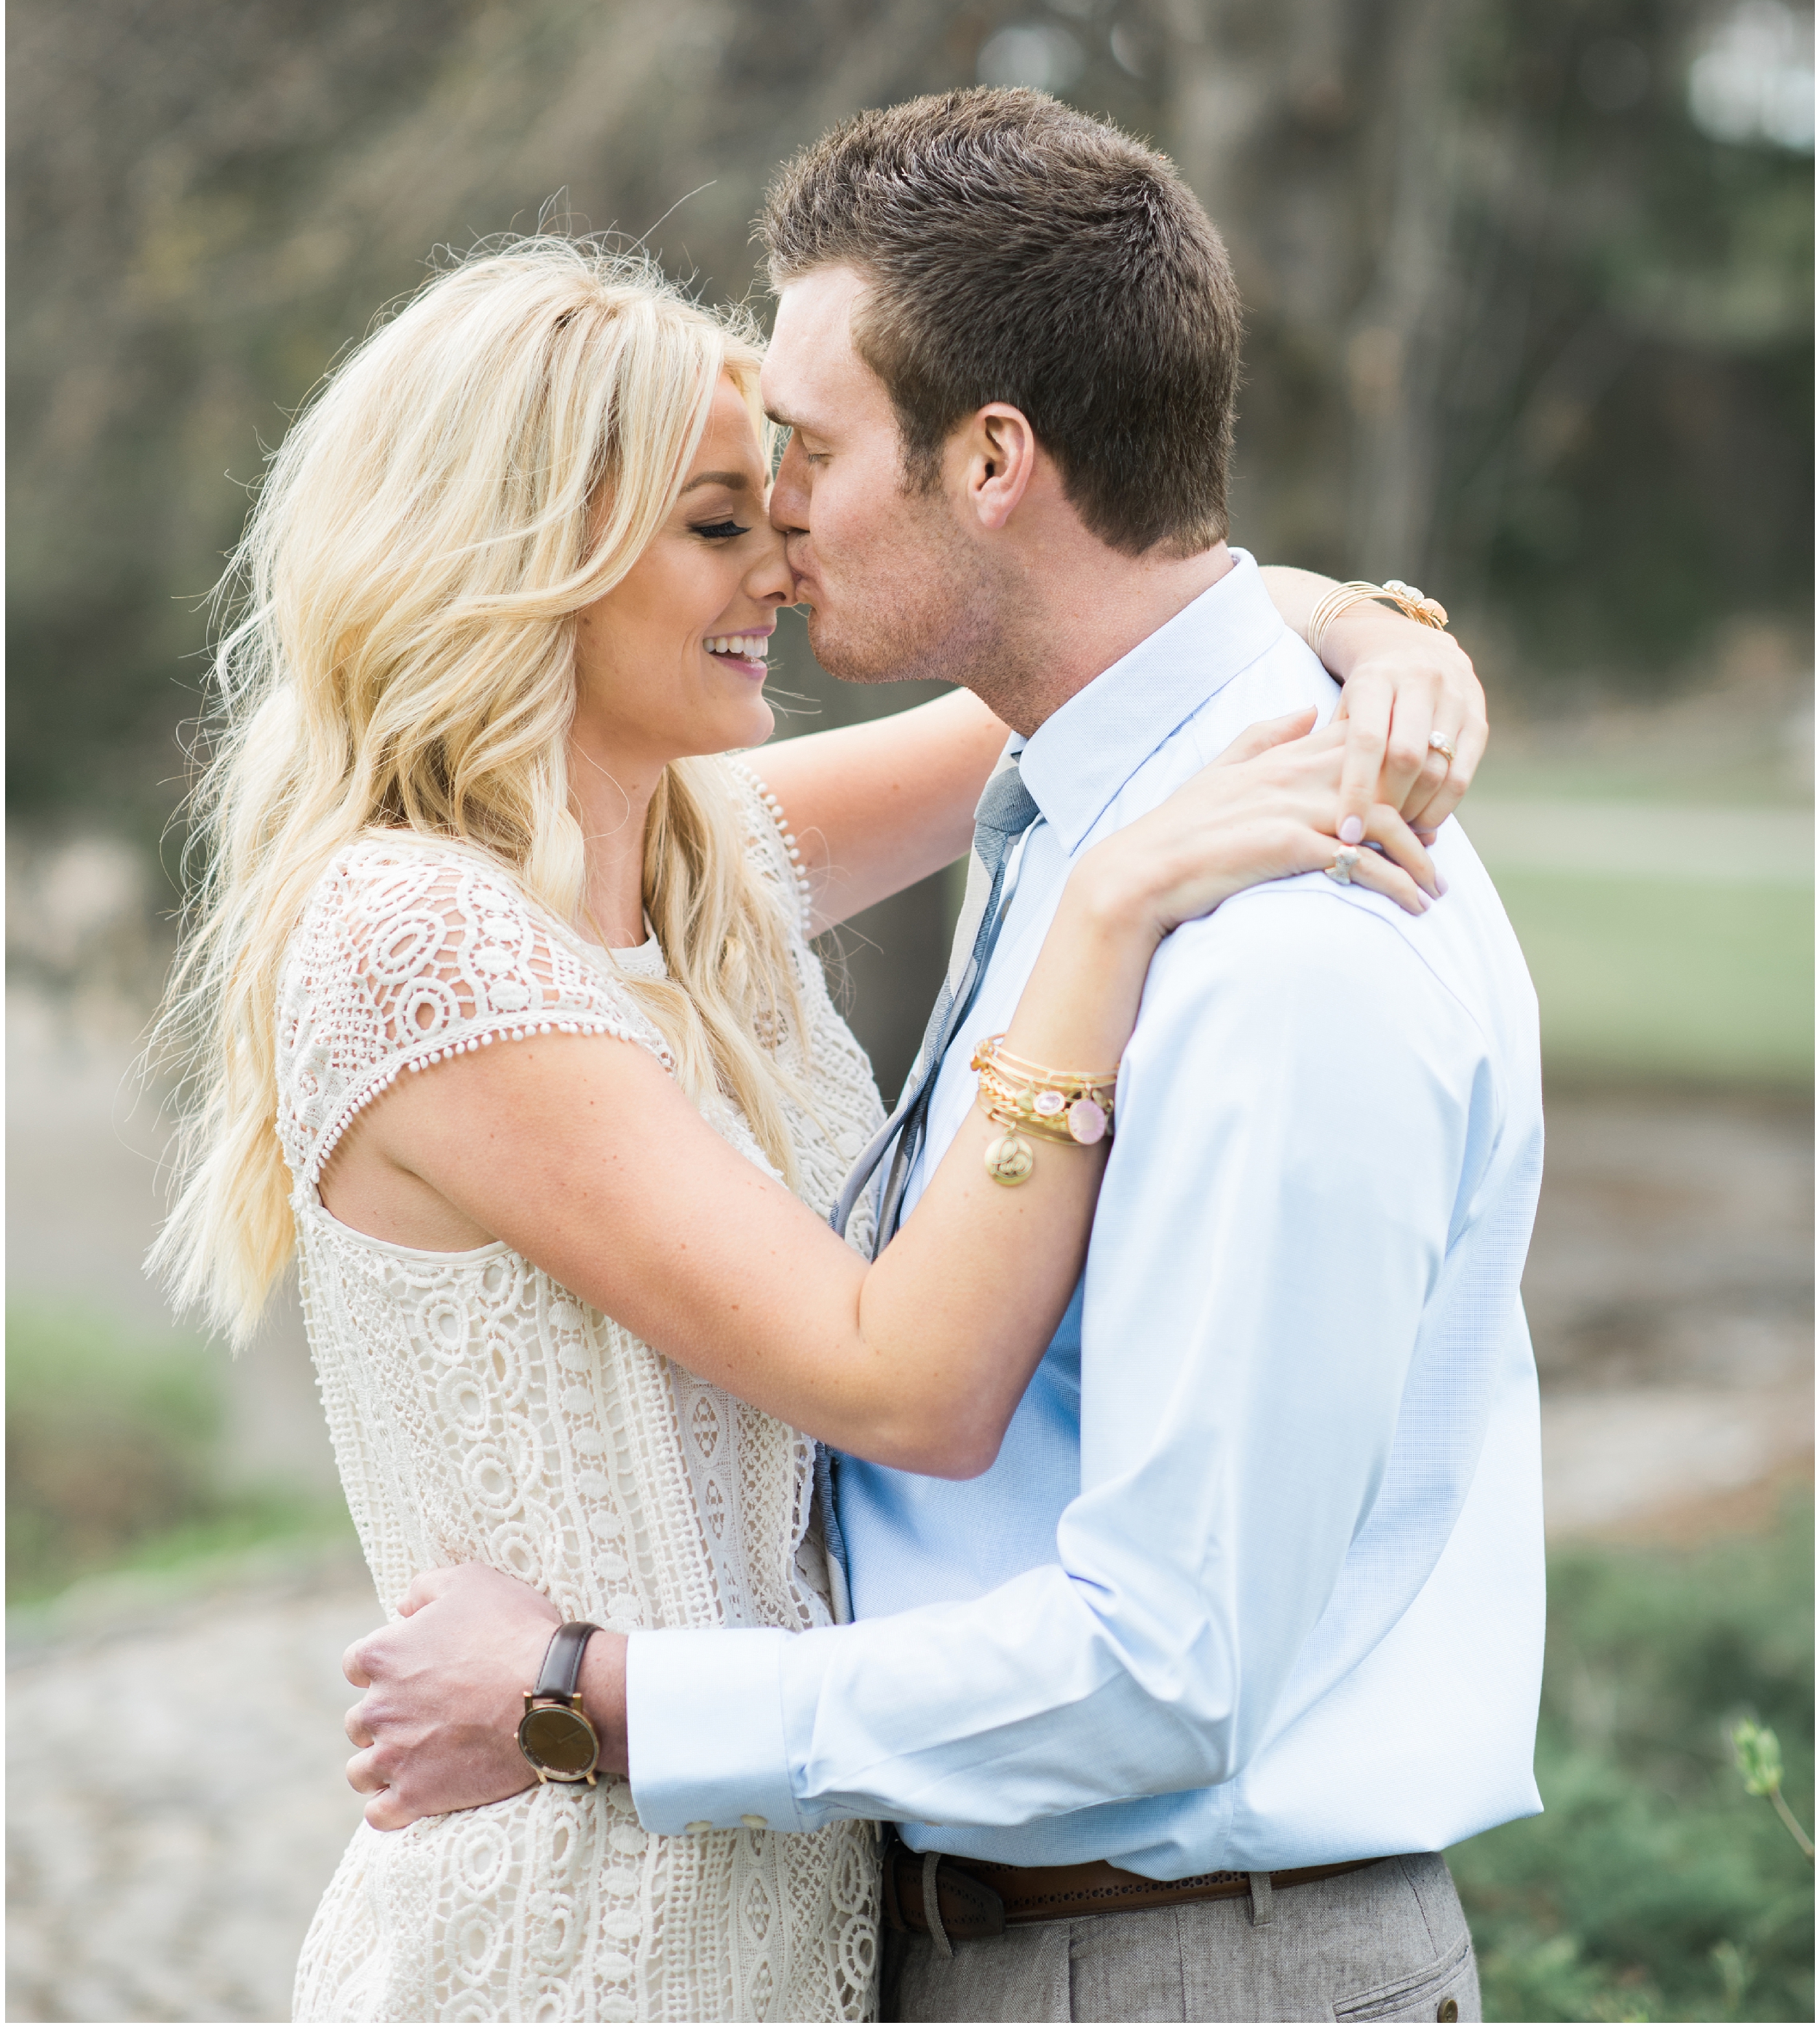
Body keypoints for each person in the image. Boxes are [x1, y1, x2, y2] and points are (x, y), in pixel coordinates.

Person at [151, 207, 1467, 2027]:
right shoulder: (418, 942)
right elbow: (902, 1382)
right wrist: (1095, 923)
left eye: (777, 496)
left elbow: (1122, 674)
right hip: (579, 1934)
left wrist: (1383, 636)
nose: (778, 558)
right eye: (713, 524)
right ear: (520, 568)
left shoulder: (697, 866)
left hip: (781, 1914)